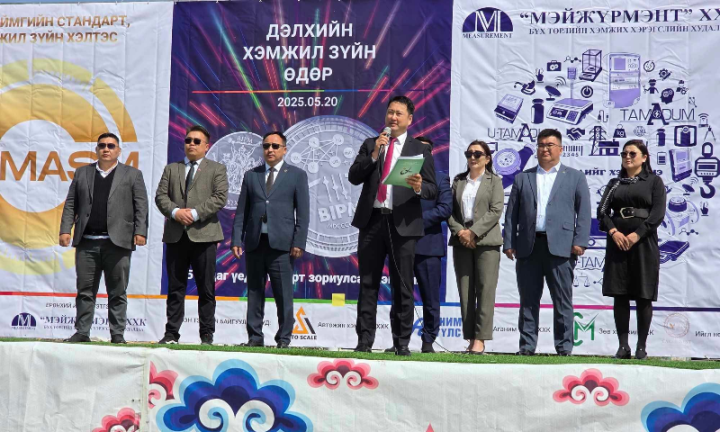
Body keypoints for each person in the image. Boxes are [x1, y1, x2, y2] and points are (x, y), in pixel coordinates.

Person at [349, 95, 437, 356]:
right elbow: (354, 176)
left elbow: (432, 189)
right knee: (368, 284)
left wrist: (420, 187)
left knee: (402, 285)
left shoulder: (419, 149)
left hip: (403, 224)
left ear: (409, 119)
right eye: (390, 112)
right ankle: (364, 341)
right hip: (372, 221)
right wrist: (374, 154)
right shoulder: (371, 144)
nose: (393, 117)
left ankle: (401, 342)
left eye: (399, 113)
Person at [503, 128, 591, 356]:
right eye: (541, 145)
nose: (545, 149)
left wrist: (580, 241)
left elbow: (584, 212)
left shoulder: (575, 177)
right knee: (528, 299)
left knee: (562, 300)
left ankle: (564, 347)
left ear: (560, 149)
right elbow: (511, 214)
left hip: (561, 247)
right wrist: (509, 242)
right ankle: (527, 346)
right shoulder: (523, 177)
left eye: (550, 145)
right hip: (528, 246)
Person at [59, 132, 148, 344]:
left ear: (118, 150)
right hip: (87, 242)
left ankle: (117, 334)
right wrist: (65, 229)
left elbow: (141, 206)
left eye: (110, 145)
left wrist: (140, 231)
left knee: (117, 291)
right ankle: (82, 332)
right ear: (96, 149)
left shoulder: (132, 174)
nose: (106, 149)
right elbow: (71, 203)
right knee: (85, 291)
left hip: (117, 242)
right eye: (102, 145)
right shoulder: (82, 173)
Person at [231, 131, 309, 349]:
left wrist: (299, 242)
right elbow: (242, 211)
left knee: (283, 293)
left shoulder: (297, 175)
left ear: (284, 149)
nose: (270, 150)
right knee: (254, 291)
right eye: (266, 146)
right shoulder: (251, 175)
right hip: (255, 242)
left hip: (282, 244)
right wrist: (237, 238)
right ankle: (255, 337)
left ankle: (284, 339)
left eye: (275, 146)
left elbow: (303, 213)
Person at [155, 125, 228, 345]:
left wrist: (194, 214)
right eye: (188, 140)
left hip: (204, 236)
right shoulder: (172, 169)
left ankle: (206, 334)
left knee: (206, 288)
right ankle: (171, 333)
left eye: (197, 141)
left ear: (206, 146)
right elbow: (161, 197)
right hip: (176, 236)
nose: (191, 144)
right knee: (175, 288)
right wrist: (176, 212)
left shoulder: (217, 169)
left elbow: (220, 197)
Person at [597, 139, 666, 360]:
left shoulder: (654, 181)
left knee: (643, 294)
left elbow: (657, 214)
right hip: (618, 243)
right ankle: (623, 346)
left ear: (644, 157)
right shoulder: (615, 183)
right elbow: (602, 212)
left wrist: (637, 234)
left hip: (644, 243)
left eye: (632, 153)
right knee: (620, 294)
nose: (627, 157)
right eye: (624, 154)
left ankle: (641, 347)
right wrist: (613, 232)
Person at [385, 136, 452, 354]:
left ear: (431, 154)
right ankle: (399, 341)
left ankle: (428, 340)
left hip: (428, 246)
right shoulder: (400, 177)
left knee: (430, 297)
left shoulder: (440, 179)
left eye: (425, 151)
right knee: (399, 295)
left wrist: (416, 222)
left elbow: (445, 209)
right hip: (401, 244)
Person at [447, 140, 504, 355]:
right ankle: (470, 338)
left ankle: (481, 339)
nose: (472, 157)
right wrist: (461, 232)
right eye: (469, 153)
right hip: (461, 241)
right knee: (465, 291)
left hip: (486, 242)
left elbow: (495, 210)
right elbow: (449, 210)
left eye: (478, 154)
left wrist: (473, 232)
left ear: (487, 159)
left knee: (485, 290)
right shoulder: (458, 181)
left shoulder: (494, 181)